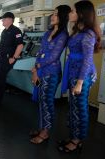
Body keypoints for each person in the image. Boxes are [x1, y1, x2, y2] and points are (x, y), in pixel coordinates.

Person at [58, 0, 101, 153]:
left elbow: (88, 60)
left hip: (82, 76)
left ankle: (77, 141)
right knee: (73, 107)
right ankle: (73, 136)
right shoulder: (77, 30)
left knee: (80, 108)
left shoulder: (88, 34)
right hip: (73, 73)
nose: (70, 13)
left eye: (73, 11)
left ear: (81, 14)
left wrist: (80, 83)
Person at [29, 5, 71, 144]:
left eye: (56, 15)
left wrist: (37, 67)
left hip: (52, 73)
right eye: (53, 14)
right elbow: (40, 52)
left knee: (47, 102)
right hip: (41, 70)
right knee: (42, 101)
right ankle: (42, 127)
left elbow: (53, 56)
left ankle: (45, 132)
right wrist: (36, 68)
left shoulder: (63, 35)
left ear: (63, 17)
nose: (52, 17)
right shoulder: (48, 33)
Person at [0, 12, 24, 106]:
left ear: (10, 20)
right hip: (2, 58)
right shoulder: (4, 31)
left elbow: (20, 45)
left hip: (9, 58)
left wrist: (14, 57)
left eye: (4, 19)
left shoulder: (16, 31)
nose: (2, 21)